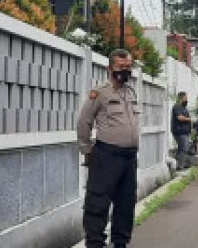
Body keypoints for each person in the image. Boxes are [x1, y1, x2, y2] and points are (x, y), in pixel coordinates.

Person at [77, 49, 139, 248]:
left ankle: (120, 242)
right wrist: (87, 151)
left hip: (129, 158)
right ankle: (95, 243)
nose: (125, 71)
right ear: (110, 68)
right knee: (98, 202)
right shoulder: (100, 92)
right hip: (107, 156)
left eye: (128, 67)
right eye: (121, 67)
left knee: (126, 203)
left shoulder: (130, 92)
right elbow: (83, 123)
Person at [171, 92, 193, 170]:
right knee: (183, 148)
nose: (187, 100)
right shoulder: (177, 106)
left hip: (185, 132)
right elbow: (179, 118)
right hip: (180, 132)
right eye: (185, 98)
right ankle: (179, 166)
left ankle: (181, 164)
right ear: (181, 98)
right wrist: (190, 119)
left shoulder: (184, 108)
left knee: (184, 148)